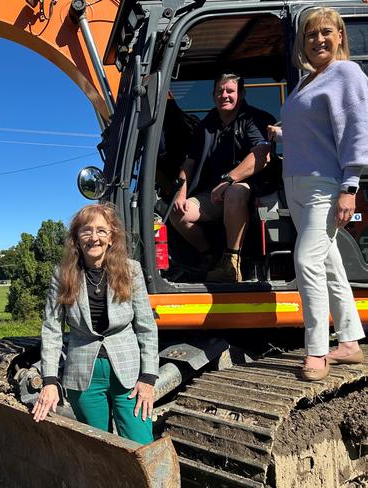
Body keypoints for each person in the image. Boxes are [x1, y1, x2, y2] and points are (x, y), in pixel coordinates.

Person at [267, 7, 367, 381]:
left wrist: (350, 186)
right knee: (328, 263)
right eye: (310, 35)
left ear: (340, 35)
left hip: (326, 185)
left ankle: (317, 350)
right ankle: (351, 342)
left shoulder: (346, 73)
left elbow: (358, 128)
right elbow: (314, 133)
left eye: (326, 32)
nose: (318, 40)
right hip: (297, 185)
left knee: (306, 260)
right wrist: (281, 135)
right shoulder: (306, 82)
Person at [32, 203, 159, 444]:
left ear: (111, 237)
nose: (94, 237)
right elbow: (51, 329)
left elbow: (146, 326)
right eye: (86, 230)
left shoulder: (131, 271)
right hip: (83, 376)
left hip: (130, 374)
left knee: (139, 441)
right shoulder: (63, 274)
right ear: (77, 238)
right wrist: (49, 381)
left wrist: (149, 377)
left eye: (102, 231)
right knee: (98, 446)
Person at [170, 73, 276, 282]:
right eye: (220, 91)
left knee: (234, 192)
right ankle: (212, 257)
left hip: (250, 191)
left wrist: (228, 180)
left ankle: (232, 263)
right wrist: (180, 193)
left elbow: (262, 155)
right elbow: (189, 162)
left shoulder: (253, 119)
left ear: (242, 94)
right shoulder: (206, 125)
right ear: (213, 95)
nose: (224, 95)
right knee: (176, 214)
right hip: (213, 195)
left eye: (230, 91)